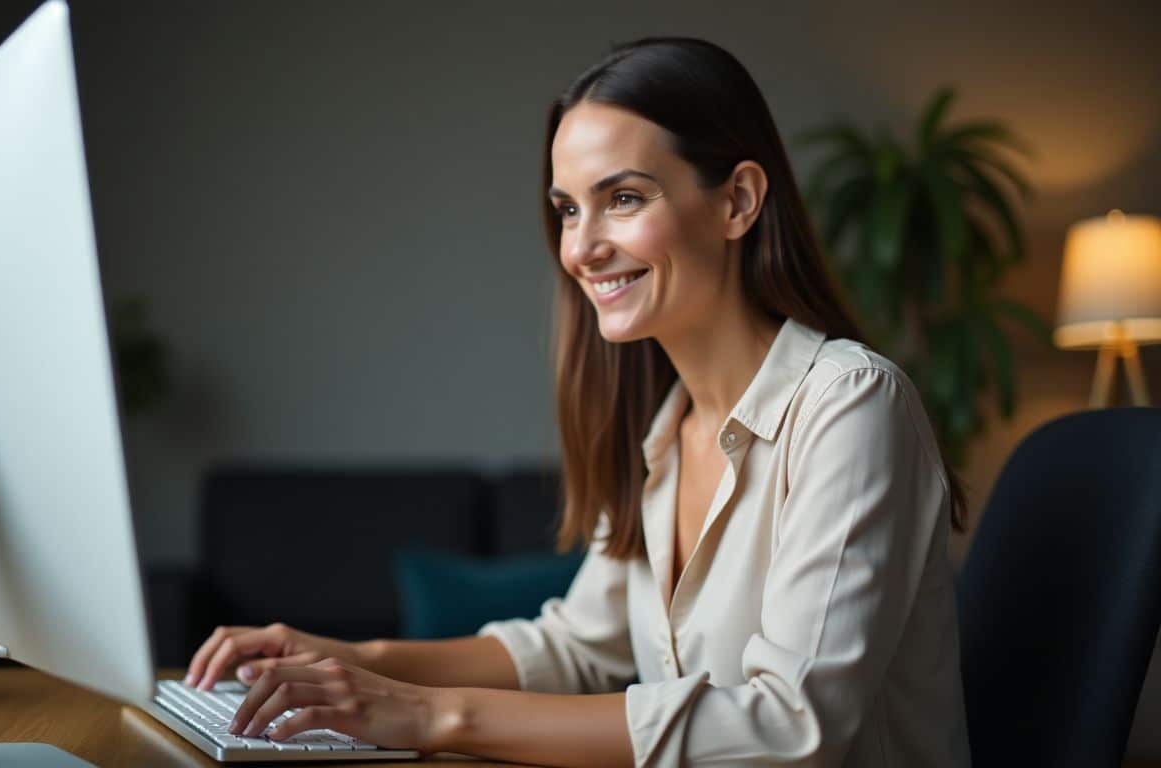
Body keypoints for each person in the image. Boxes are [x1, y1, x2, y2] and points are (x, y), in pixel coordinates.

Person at [184, 36, 972, 767]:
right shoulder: (664, 431)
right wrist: (354, 661)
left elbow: (792, 723)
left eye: (623, 198)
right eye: (567, 208)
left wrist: (432, 714)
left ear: (737, 201)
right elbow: (578, 646)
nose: (580, 248)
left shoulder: (851, 405)